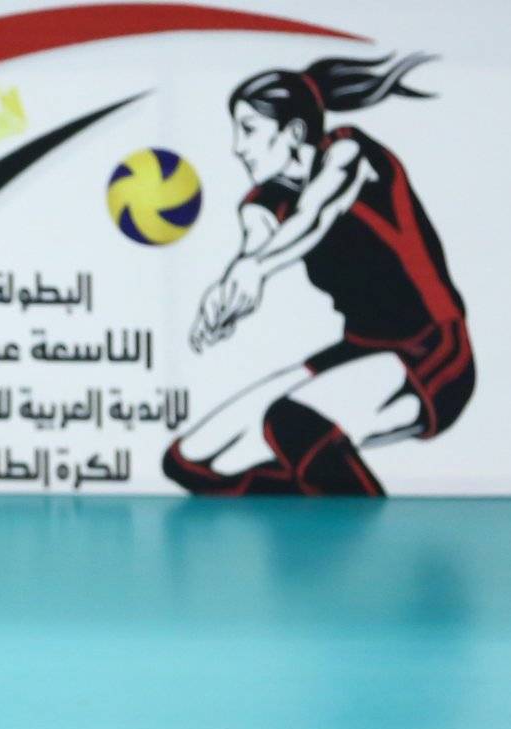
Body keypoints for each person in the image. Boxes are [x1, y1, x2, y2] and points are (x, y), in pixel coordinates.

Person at [165, 53, 475, 496]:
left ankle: (360, 530)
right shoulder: (262, 202)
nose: (237, 147)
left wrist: (255, 268)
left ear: (292, 133)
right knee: (190, 462)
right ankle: (315, 509)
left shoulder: (350, 154)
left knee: (291, 423)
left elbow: (315, 216)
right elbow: (259, 242)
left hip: (431, 353)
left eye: (248, 130)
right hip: (358, 350)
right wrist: (229, 293)